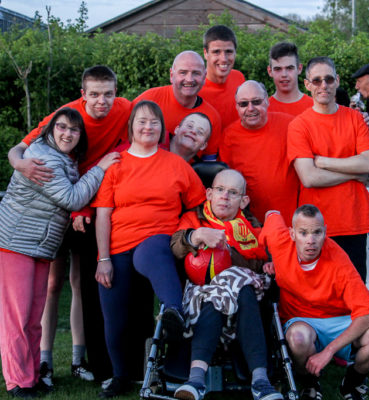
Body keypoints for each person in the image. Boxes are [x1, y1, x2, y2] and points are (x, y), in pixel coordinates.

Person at [7, 65, 132, 384]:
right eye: (94, 95)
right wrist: (19, 163)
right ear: (83, 94)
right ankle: (43, 362)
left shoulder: (126, 109)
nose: (102, 101)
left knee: (78, 282)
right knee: (50, 286)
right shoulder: (65, 118)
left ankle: (78, 358)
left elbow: (146, 132)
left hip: (77, 209)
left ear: (116, 92)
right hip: (47, 217)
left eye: (108, 94)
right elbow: (21, 147)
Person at [92, 100, 206, 398]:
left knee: (153, 249)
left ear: (162, 129)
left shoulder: (175, 164)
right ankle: (120, 376)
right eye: (142, 121)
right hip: (118, 247)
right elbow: (103, 213)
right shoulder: (116, 164)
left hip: (159, 242)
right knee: (114, 318)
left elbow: (196, 205)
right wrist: (103, 258)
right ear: (131, 126)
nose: (148, 127)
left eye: (154, 122)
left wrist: (184, 228)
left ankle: (173, 314)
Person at [170, 169, 283, 400]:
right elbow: (175, 247)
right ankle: (258, 381)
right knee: (218, 293)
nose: (225, 196)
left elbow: (259, 264)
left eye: (233, 193)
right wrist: (196, 235)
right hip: (202, 293)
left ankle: (197, 380)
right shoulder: (195, 218)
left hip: (245, 297)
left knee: (240, 284)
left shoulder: (251, 227)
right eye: (220, 190)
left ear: (243, 201)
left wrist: (231, 253)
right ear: (209, 194)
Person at [260, 205, 369, 400]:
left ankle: (352, 381)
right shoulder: (279, 240)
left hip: (339, 319)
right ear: (292, 234)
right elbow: (272, 215)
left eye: (317, 233)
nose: (311, 240)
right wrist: (264, 259)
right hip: (301, 319)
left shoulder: (338, 259)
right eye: (303, 233)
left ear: (325, 232)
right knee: (298, 338)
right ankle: (311, 384)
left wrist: (329, 351)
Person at [287, 57, 369, 283]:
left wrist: (325, 162)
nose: (323, 85)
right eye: (316, 81)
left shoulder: (355, 118)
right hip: (316, 227)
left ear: (337, 81)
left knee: (355, 291)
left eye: (328, 79)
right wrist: (354, 173)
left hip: (354, 220)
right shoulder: (299, 125)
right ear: (307, 85)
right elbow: (309, 177)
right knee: (320, 293)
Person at [219, 80, 299, 226]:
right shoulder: (229, 136)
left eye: (256, 102)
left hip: (290, 222)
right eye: (243, 104)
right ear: (237, 107)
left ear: (267, 101)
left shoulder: (289, 125)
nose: (250, 108)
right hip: (249, 225)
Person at [134, 51, 222, 160]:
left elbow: (209, 165)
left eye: (196, 73)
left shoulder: (211, 118)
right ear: (172, 75)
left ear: (204, 77)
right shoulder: (148, 101)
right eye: (183, 72)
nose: (189, 79)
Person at [199, 25, 246, 129]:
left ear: (235, 53)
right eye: (216, 52)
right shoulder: (196, 87)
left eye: (229, 52)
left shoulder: (238, 77)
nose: (223, 59)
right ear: (205, 53)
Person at [267, 42, 313, 116]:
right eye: (278, 69)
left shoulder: (315, 108)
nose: (284, 74)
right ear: (270, 71)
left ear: (299, 69)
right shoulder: (263, 110)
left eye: (289, 68)